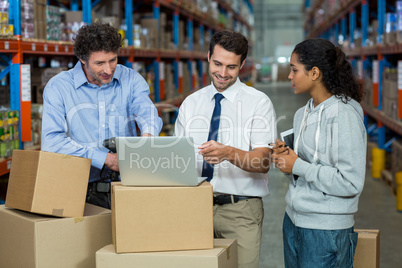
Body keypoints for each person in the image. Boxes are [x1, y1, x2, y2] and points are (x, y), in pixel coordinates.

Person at [174, 30, 277, 268]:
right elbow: (179, 159)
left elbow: (263, 163)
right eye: (217, 63)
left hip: (240, 210)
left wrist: (229, 153)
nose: (222, 73)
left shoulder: (258, 103)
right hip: (195, 207)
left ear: (242, 64)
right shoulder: (191, 103)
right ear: (208, 57)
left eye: (231, 67)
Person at [41, 22, 163, 209]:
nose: (108, 69)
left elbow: (148, 113)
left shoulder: (131, 79)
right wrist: (105, 159)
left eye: (113, 60)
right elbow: (52, 143)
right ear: (82, 59)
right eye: (99, 63)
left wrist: (147, 137)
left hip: (127, 186)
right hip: (80, 190)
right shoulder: (59, 87)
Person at [271, 38, 366, 268]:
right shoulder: (302, 113)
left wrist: (298, 166)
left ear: (315, 73)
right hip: (293, 221)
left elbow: (351, 182)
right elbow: (303, 170)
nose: (289, 76)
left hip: (326, 230)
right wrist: (287, 162)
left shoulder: (344, 115)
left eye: (295, 70)